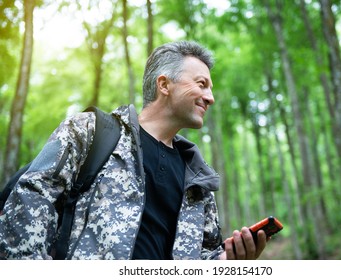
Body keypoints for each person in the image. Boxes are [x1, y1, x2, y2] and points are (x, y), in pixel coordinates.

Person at [0, 41, 267, 260]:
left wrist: (228, 261)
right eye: (201, 84)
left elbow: (203, 256)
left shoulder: (198, 179)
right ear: (164, 85)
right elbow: (30, 200)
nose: (211, 97)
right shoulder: (90, 132)